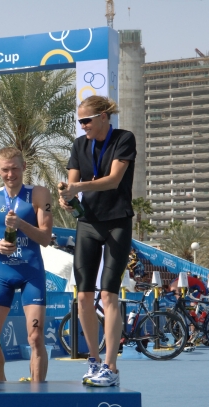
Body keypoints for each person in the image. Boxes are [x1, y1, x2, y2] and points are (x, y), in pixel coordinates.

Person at [59, 95, 137, 388]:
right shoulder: (79, 145)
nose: (83, 126)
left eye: (87, 120)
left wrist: (77, 187)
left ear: (104, 116)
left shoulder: (123, 139)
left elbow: (114, 180)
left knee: (108, 294)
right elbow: (71, 183)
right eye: (80, 122)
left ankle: (111, 366)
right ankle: (93, 359)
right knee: (83, 296)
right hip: (88, 223)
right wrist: (66, 197)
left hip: (117, 222)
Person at [0, 147, 53, 382]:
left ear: (24, 167)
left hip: (31, 273)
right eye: (5, 169)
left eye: (15, 169)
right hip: (2, 274)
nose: (10, 174)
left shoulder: (39, 194)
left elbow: (45, 238)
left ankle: (37, 393)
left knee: (35, 337)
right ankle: (2, 386)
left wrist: (21, 224)